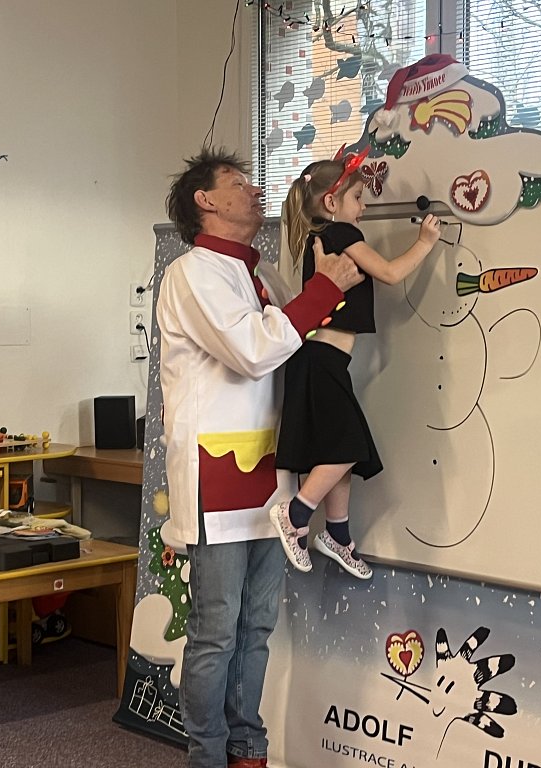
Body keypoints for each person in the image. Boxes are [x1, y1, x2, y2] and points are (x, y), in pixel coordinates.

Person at [157, 147, 361, 768]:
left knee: (258, 626)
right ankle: (207, 755)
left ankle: (248, 746)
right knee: (216, 631)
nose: (254, 190)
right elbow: (252, 350)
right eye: (238, 182)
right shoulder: (190, 273)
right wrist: (323, 290)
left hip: (274, 476)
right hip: (216, 477)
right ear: (206, 201)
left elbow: (299, 340)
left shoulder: (263, 272)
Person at [268, 153, 441, 579]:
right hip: (321, 360)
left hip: (321, 360)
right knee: (348, 448)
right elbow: (389, 272)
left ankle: (338, 535)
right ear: (331, 202)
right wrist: (424, 242)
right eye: (358, 197)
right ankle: (295, 514)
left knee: (337, 451)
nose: (363, 207)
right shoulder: (341, 233)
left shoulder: (323, 236)